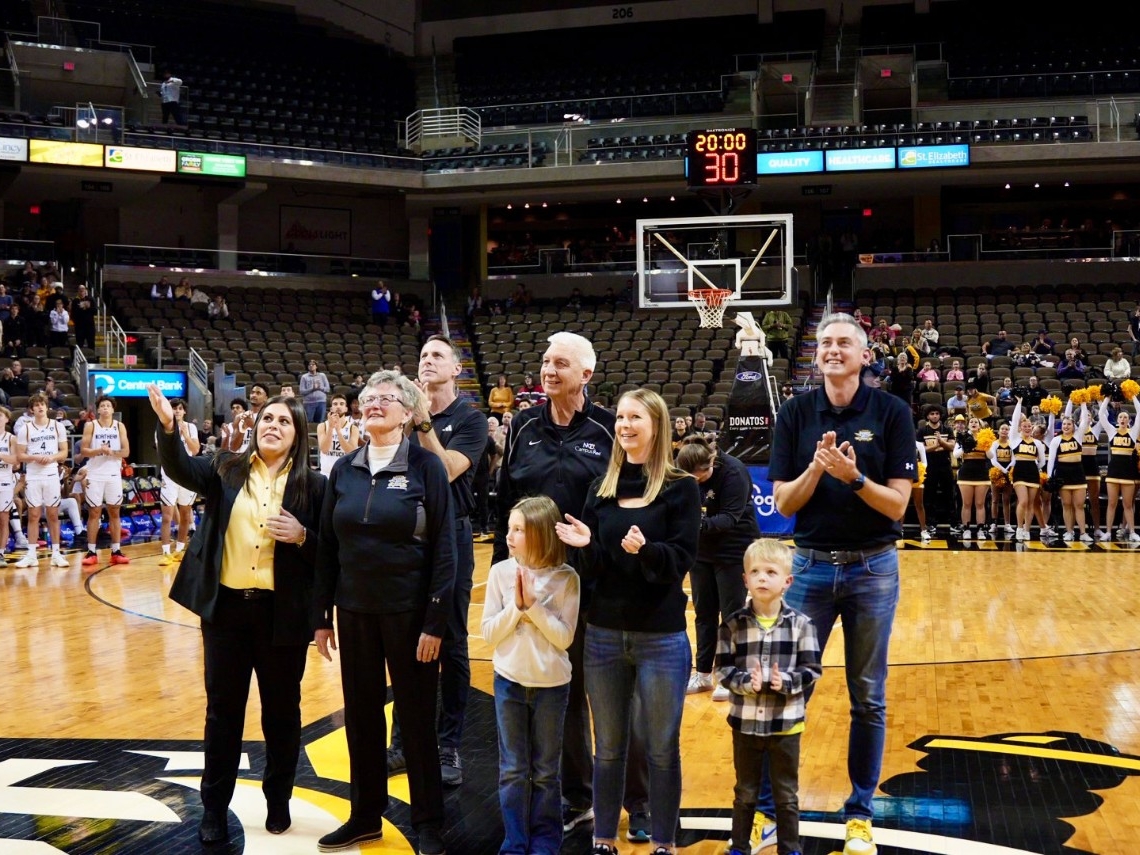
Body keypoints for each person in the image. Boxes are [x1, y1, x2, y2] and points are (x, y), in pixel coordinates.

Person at [147, 384, 324, 844]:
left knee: (282, 715)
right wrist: (169, 429)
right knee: (222, 713)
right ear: (255, 427)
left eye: (284, 421)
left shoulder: (315, 486)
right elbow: (180, 467)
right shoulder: (226, 469)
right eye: (268, 419)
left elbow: (332, 555)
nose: (274, 426)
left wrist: (303, 536)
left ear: (298, 434)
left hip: (281, 617)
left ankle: (279, 800)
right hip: (225, 613)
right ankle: (213, 809)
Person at [766, 312, 915, 855]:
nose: (832, 350)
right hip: (808, 566)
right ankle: (771, 811)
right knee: (783, 691)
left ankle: (860, 814)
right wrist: (817, 468)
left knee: (867, 697)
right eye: (825, 342)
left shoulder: (892, 411)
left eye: (844, 343)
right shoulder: (796, 412)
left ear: (864, 353)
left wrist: (852, 478)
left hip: (874, 568)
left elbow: (897, 505)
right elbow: (783, 503)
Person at [312, 371, 455, 855]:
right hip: (353, 613)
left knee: (416, 722)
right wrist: (321, 616)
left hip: (411, 616)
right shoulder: (344, 469)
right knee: (362, 719)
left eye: (386, 399)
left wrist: (435, 621)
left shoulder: (427, 469)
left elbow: (446, 551)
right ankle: (364, 816)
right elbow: (327, 548)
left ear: (410, 413)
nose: (373, 404)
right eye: (368, 398)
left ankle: (429, 821)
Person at [554, 388, 701, 855]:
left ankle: (663, 842)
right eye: (620, 417)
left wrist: (647, 551)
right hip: (603, 633)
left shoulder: (681, 487)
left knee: (661, 748)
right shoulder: (600, 487)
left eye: (635, 417)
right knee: (609, 747)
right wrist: (586, 546)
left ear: (655, 425)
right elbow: (596, 572)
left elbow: (680, 562)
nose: (624, 425)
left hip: (661, 635)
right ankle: (602, 839)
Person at [495, 330, 625, 836]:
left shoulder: (609, 429)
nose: (549, 370)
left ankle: (595, 795)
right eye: (546, 360)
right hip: (531, 582)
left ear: (586, 375)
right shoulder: (524, 423)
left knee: (590, 696)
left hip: (591, 586)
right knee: (533, 685)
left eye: (561, 364)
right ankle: (546, 790)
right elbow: (508, 496)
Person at [388, 335, 487, 787]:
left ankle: (448, 745)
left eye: (437, 356)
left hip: (451, 534)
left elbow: (446, 471)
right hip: (408, 535)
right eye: (423, 354)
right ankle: (403, 742)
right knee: (405, 637)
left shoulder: (470, 418)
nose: (427, 360)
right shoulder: (404, 417)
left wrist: (423, 423)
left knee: (450, 641)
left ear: (456, 370)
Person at [482, 495, 580, 855]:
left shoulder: (566, 578)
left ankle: (545, 841)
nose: (510, 536)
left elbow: (563, 638)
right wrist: (516, 608)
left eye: (519, 530)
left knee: (545, 771)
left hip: (552, 686)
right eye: (509, 528)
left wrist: (532, 607)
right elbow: (489, 633)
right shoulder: (499, 573)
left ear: (540, 533)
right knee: (512, 768)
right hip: (508, 681)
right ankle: (514, 841)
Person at [716, 539, 821, 855]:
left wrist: (785, 682)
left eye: (771, 572)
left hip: (786, 727)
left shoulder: (803, 625)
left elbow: (812, 669)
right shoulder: (733, 625)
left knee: (786, 794)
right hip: (745, 725)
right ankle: (739, 847)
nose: (762, 578)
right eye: (755, 572)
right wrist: (747, 682)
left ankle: (790, 848)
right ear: (745, 579)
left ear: (787, 581)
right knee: (745, 792)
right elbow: (722, 670)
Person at [675, 436, 756, 703]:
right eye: (692, 478)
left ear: (712, 461)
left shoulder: (734, 471)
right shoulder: (684, 473)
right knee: (703, 613)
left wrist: (694, 525)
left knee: (731, 614)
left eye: (703, 475)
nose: (698, 481)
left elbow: (730, 518)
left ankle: (729, 674)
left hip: (733, 549)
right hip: (702, 551)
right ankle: (704, 673)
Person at [15, 393, 69, 568]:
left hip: (51, 474)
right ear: (31, 409)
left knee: (53, 515)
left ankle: (56, 553)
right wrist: (34, 457)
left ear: (47, 407)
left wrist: (52, 458)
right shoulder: (26, 429)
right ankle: (31, 555)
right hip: (33, 474)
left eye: (42, 404)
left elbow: (64, 452)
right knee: (33, 515)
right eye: (36, 405)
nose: (40, 407)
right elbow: (20, 454)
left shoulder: (57, 426)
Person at [79, 395, 131, 566]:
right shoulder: (91, 425)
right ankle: (91, 551)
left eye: (108, 405)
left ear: (113, 409)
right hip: (95, 473)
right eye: (103, 405)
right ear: (98, 409)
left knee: (114, 512)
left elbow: (126, 452)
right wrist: (99, 451)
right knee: (94, 512)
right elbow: (84, 451)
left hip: (113, 474)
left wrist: (112, 453)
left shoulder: (119, 426)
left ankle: (116, 550)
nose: (106, 408)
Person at [158, 398, 201, 565]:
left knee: (185, 515)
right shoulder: (162, 427)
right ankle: (165, 551)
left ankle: (179, 550)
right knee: (167, 516)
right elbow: (162, 452)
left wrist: (184, 434)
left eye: (180, 409)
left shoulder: (190, 427)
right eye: (173, 408)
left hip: (187, 474)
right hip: (169, 475)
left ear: (184, 412)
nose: (176, 411)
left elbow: (196, 450)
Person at [1046, 405, 1092, 542]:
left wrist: (1083, 404)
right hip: (1062, 473)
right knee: (1066, 504)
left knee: (1079, 505)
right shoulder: (1056, 440)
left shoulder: (1078, 436)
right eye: (1064, 424)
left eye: (1069, 424)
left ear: (1073, 426)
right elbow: (1051, 459)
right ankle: (1069, 531)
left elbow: (1084, 420)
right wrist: (1049, 477)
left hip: (1078, 472)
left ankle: (1083, 533)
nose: (1066, 426)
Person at [1099, 400, 1140, 542]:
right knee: (1112, 503)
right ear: (1117, 419)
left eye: (1125, 417)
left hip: (1128, 472)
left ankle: (1132, 531)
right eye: (1120, 417)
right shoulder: (1112, 432)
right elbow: (1101, 414)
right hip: (1113, 471)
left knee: (1128, 504)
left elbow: (1139, 412)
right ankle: (1108, 532)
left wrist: (1134, 396)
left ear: (1129, 420)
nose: (1123, 419)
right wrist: (1107, 398)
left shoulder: (1133, 432)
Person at [1009, 398, 1047, 541]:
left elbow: (1042, 461)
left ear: (1032, 428)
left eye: (1029, 426)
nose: (1027, 428)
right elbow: (1015, 417)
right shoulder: (1015, 439)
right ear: (1020, 428)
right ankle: (1019, 527)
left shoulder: (1037, 443)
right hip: (1019, 470)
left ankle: (1027, 529)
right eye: (1024, 426)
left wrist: (1034, 468)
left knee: (1031, 503)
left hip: (1032, 472)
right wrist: (1019, 403)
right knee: (1023, 501)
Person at [917, 405, 954, 537]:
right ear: (927, 416)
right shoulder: (922, 431)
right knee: (929, 495)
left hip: (945, 464)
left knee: (949, 493)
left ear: (940, 415)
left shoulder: (947, 429)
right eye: (932, 414)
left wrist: (941, 443)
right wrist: (939, 444)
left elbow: (952, 446)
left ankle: (954, 523)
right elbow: (921, 450)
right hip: (929, 466)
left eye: (937, 413)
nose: (934, 416)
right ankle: (930, 523)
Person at [952, 416, 990, 540]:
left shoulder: (986, 437)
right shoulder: (962, 437)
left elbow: (991, 456)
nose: (974, 423)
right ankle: (966, 529)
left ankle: (980, 529)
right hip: (966, 472)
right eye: (972, 422)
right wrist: (965, 445)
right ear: (968, 425)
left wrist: (986, 445)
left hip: (981, 473)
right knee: (966, 503)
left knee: (980, 503)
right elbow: (955, 454)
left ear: (980, 425)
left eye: (976, 422)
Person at [317, 394, 361, 477]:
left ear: (346, 408)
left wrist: (338, 431)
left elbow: (351, 452)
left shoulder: (353, 428)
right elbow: (324, 449)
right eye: (335, 404)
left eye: (341, 404)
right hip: (326, 474)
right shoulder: (322, 426)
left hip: (345, 474)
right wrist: (330, 428)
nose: (338, 406)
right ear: (331, 409)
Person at [987, 421, 1015, 537]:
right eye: (1002, 429)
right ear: (998, 431)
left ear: (1009, 432)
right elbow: (993, 459)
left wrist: (1008, 469)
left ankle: (1007, 524)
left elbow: (1014, 458)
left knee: (1006, 499)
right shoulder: (994, 444)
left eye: (1006, 429)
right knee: (995, 499)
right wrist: (1003, 470)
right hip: (997, 472)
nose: (1004, 431)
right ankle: (994, 523)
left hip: (1008, 472)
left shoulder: (1012, 443)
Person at [0, 406, 18, 564]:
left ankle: (0, 553)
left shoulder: (11, 438)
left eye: (0, 416)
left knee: (3, 518)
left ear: (6, 419)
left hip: (5, 481)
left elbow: (15, 462)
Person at [299, 360, 331, 425]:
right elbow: (302, 391)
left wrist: (320, 388)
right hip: (309, 403)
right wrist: (312, 389)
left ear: (316, 366)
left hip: (321, 402)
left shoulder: (322, 375)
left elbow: (327, 389)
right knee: (308, 422)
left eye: (313, 364)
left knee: (320, 422)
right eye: (309, 365)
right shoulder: (304, 377)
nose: (311, 366)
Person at [69, 284, 96, 350]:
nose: (81, 292)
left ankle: (91, 358)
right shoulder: (75, 301)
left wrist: (88, 307)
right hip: (79, 326)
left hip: (90, 326)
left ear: (85, 291)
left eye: (83, 290)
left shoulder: (91, 300)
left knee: (91, 343)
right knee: (79, 344)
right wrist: (80, 308)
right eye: (80, 291)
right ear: (78, 291)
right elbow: (73, 314)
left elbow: (95, 311)